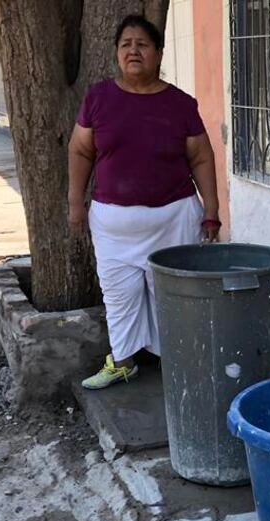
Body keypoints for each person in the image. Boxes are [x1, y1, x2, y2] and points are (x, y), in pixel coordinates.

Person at [69, 13, 222, 390]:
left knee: (173, 298)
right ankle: (122, 362)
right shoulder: (98, 98)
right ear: (116, 54)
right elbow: (80, 151)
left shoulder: (181, 104)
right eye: (126, 44)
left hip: (174, 222)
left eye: (142, 44)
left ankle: (181, 361)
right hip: (112, 226)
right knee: (119, 295)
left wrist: (212, 212)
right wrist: (75, 201)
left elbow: (202, 157)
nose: (133, 50)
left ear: (158, 53)